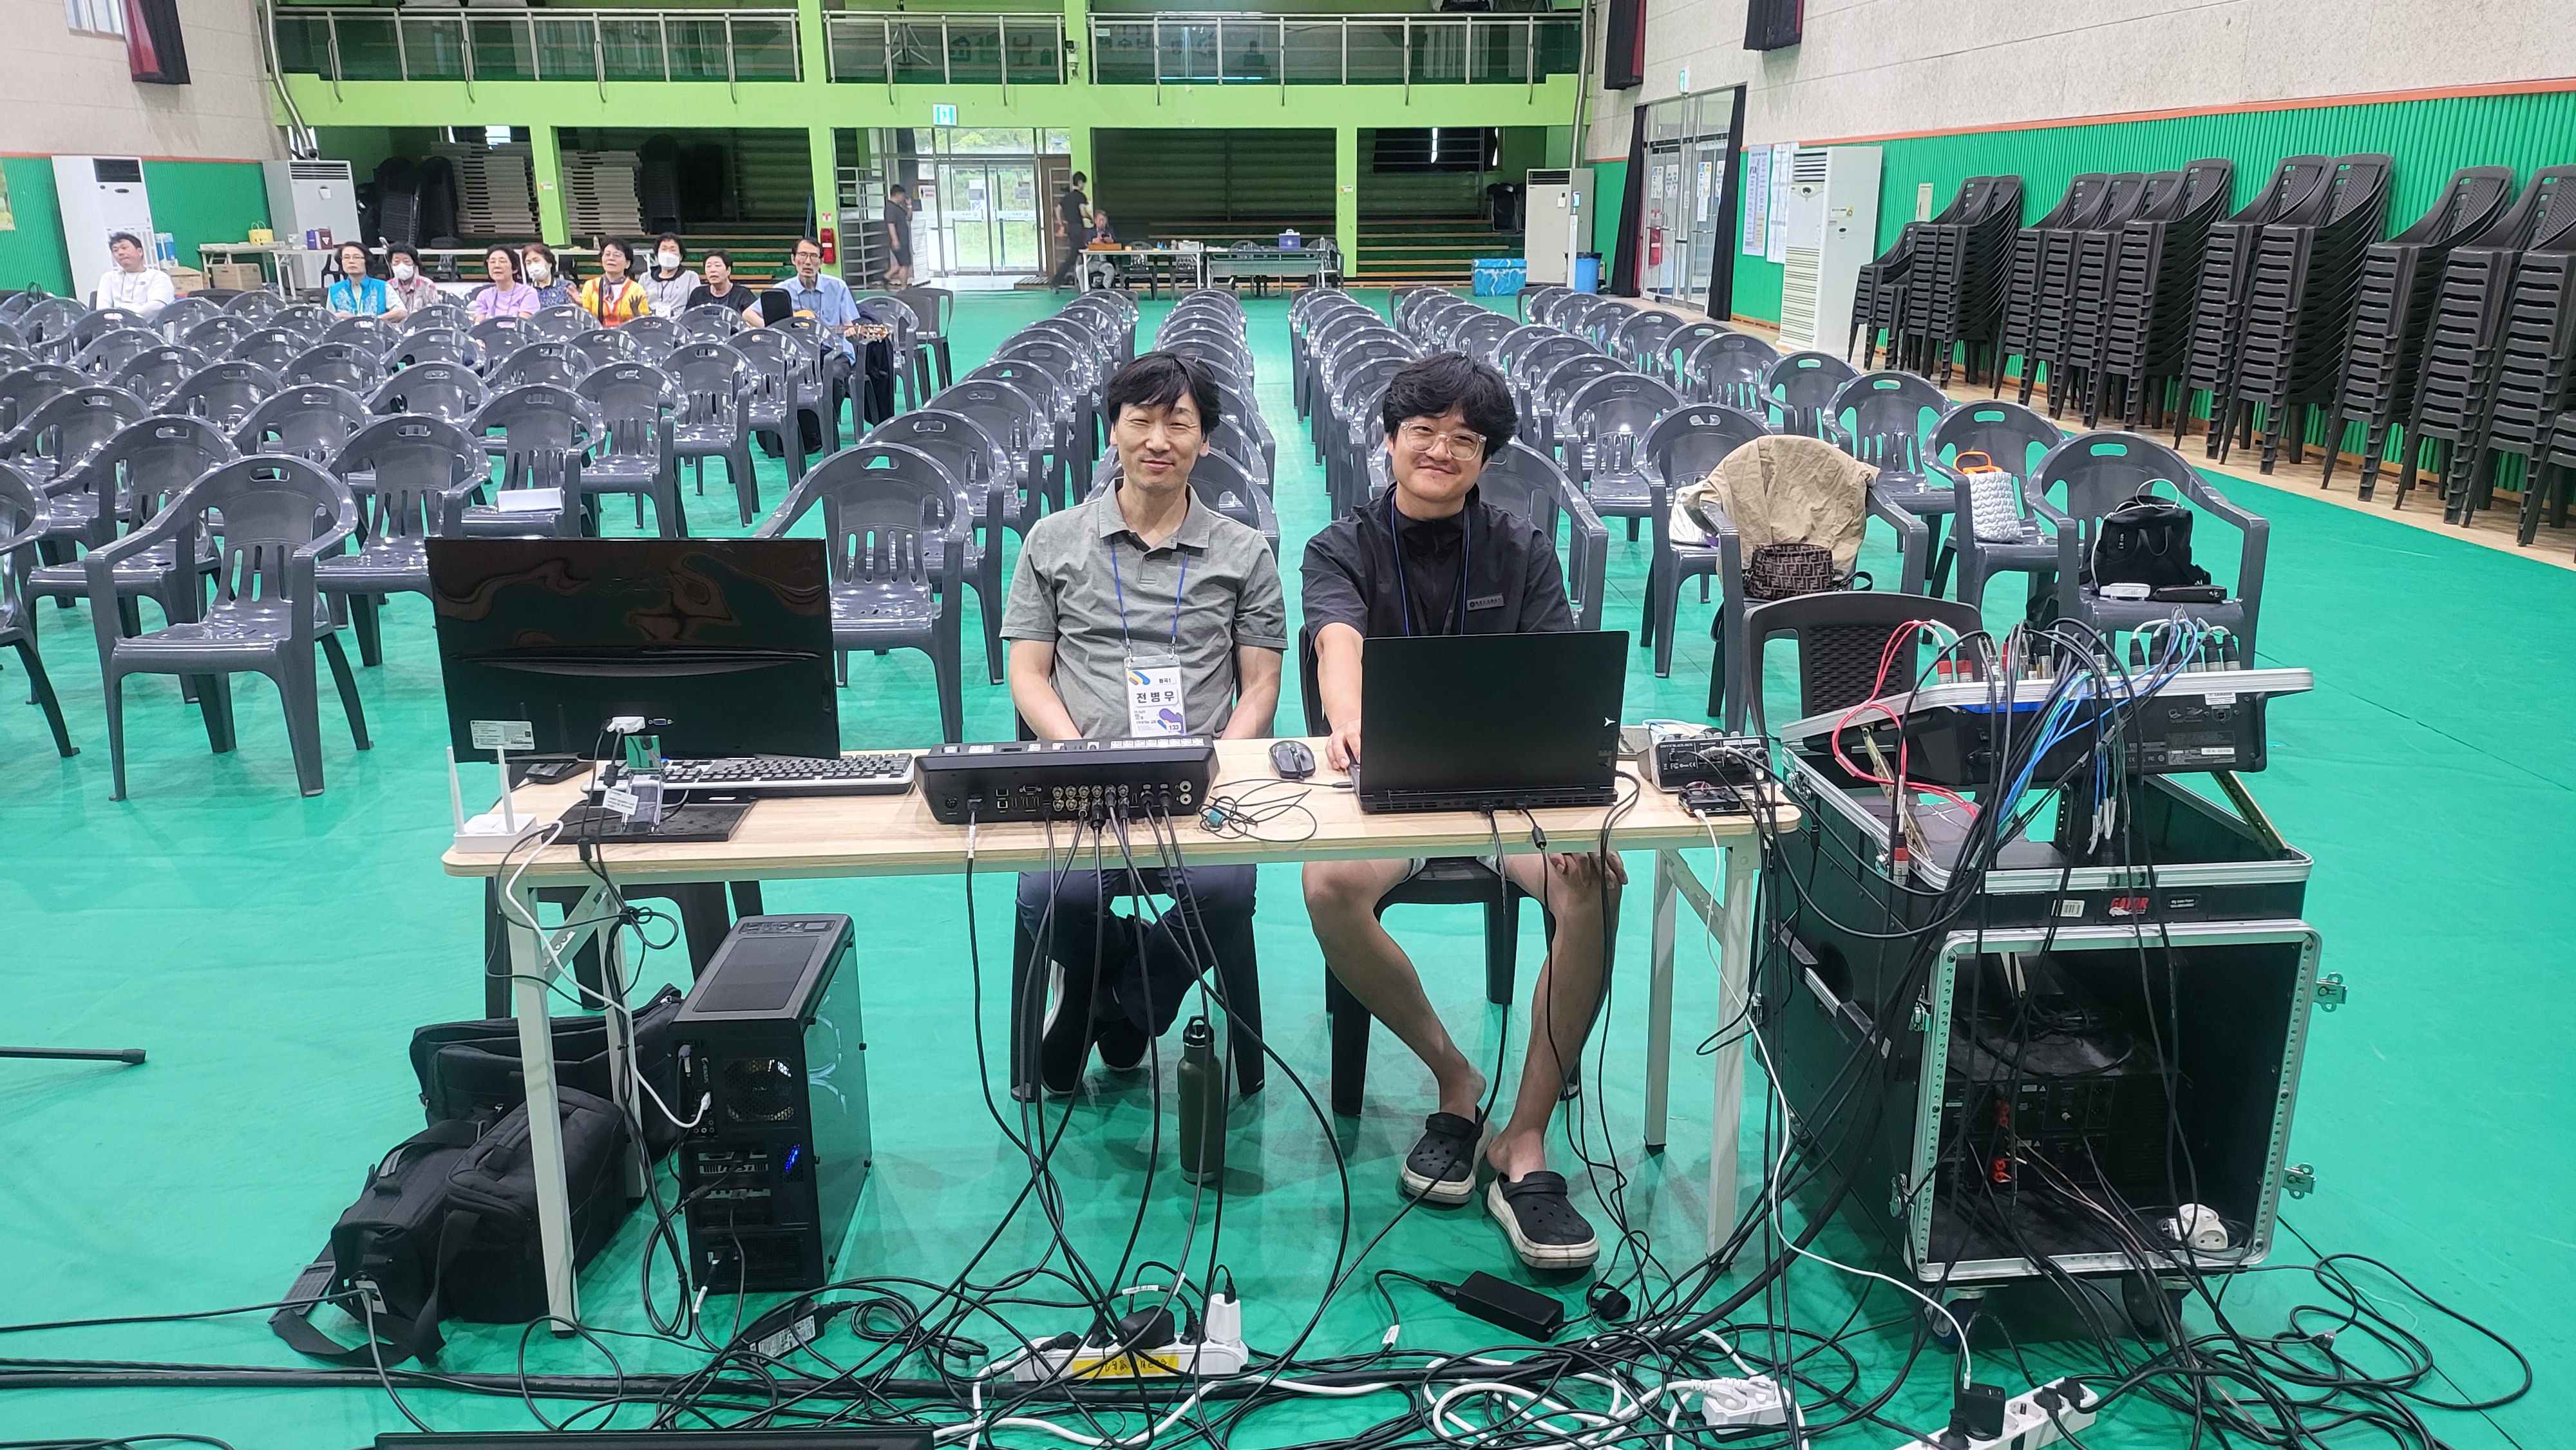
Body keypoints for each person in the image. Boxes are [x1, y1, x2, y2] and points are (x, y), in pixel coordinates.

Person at [1298, 352, 1624, 1273]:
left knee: (1594, 887)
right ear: (1389, 440)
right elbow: (1336, 643)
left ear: (1486, 456)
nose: (1441, 450)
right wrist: (1352, 721)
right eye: (1424, 432)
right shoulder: (1341, 547)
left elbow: (1558, 678)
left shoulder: (1522, 548)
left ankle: (1524, 1135)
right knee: (1326, 884)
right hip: (1389, 792)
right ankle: (1455, 1076)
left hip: (1510, 794)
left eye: (1464, 439)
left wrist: (1573, 819)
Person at [1002, 350, 1288, 1093]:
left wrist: (1215, 766)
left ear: (1206, 440)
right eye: (1142, 420)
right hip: (1083, 780)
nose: (1159, 439)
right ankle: (1126, 985)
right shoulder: (1052, 540)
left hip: (1198, 786)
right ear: (1114, 429)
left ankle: (1112, 1001)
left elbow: (1260, 687)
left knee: (1224, 892)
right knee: (1052, 898)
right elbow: (1028, 673)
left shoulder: (1243, 552)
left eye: (1179, 423)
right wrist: (1075, 754)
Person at [775, 236, 867, 450]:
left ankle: (824, 430)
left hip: (833, 352)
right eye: (803, 255)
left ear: (821, 261)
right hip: (797, 356)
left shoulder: (838, 287)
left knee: (833, 377)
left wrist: (852, 331)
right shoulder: (782, 291)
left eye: (813, 257)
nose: (808, 262)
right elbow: (749, 314)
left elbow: (849, 323)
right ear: (793, 259)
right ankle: (792, 434)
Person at [92, 232, 175, 317]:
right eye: (115, 250)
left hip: (148, 324)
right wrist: (115, 322)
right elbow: (103, 308)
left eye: (124, 248)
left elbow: (157, 306)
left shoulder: (158, 277)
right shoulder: (109, 278)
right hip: (115, 324)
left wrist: (127, 319)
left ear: (140, 252)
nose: (120, 253)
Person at [576, 238, 651, 326]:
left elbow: (645, 325)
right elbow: (586, 320)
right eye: (607, 254)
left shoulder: (636, 290)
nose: (611, 258)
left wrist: (636, 314)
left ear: (627, 264)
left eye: (617, 255)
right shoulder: (591, 286)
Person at [682, 249, 766, 328]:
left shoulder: (743, 293)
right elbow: (687, 322)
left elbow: (754, 319)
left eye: (718, 266)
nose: (712, 270)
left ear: (728, 270)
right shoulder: (698, 294)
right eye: (708, 266)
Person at [327, 241, 397, 319]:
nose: (351, 261)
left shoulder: (382, 286)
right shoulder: (334, 289)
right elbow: (327, 319)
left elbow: (401, 312)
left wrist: (373, 320)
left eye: (356, 257)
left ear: (366, 261)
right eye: (346, 258)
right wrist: (337, 317)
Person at [470, 245, 540, 321]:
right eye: (492, 262)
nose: (497, 266)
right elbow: (479, 326)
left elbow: (523, 325)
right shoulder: (484, 296)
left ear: (514, 269)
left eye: (502, 261)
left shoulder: (527, 293)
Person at [1048, 171, 1091, 289]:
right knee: (1078, 255)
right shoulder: (1081, 196)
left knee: (1076, 255)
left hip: (1070, 228)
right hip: (1078, 228)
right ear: (1080, 183)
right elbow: (1083, 212)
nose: (1084, 186)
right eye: (1083, 183)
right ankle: (1057, 280)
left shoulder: (1067, 197)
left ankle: (1063, 280)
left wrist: (1061, 224)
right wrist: (1091, 218)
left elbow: (1057, 209)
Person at [641, 233, 699, 317]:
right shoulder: (645, 278)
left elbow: (695, 305)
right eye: (664, 249)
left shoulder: (691, 277)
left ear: (681, 256)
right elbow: (640, 304)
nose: (668, 254)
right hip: (650, 321)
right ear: (657, 254)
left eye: (673, 250)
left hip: (679, 322)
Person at [385, 243, 443, 316]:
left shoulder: (427, 285)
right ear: (391, 265)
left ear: (414, 264)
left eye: (406, 261)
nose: (401, 265)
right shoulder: (388, 286)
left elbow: (436, 314)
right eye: (397, 261)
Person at [521, 243, 573, 308]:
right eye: (528, 263)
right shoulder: (525, 291)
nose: (533, 266)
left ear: (550, 263)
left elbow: (575, 310)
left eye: (536, 261)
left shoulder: (566, 286)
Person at [883, 185, 915, 287]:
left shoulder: (898, 207)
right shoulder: (890, 208)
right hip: (899, 240)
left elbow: (909, 218)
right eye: (902, 196)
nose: (903, 198)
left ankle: (887, 276)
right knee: (905, 265)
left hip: (903, 240)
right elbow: (891, 225)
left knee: (903, 264)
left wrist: (909, 207)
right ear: (897, 195)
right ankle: (903, 287)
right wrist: (895, 240)